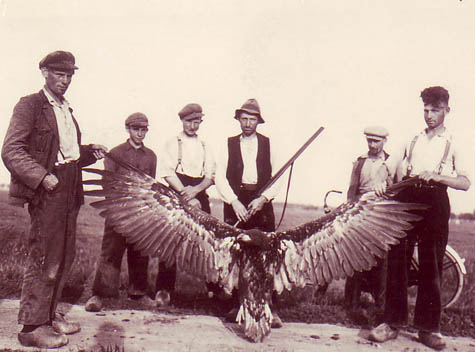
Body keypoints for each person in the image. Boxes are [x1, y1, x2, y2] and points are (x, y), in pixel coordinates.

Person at [1, 50, 107, 349]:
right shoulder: (30, 105)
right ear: (44, 72)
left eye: (70, 74)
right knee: (45, 258)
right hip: (48, 190)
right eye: (59, 73)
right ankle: (31, 328)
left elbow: (66, 152)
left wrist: (88, 152)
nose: (65, 79)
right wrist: (41, 177)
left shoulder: (65, 109)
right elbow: (11, 150)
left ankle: (49, 317)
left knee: (64, 257)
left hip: (71, 188)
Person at [368, 86, 471, 350]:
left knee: (431, 265)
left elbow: (465, 182)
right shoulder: (412, 138)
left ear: (447, 110)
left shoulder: (453, 142)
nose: (429, 115)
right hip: (407, 199)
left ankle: (428, 329)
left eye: (435, 110)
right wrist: (382, 181)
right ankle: (392, 323)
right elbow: (388, 168)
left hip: (436, 202)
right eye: (425, 110)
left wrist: (438, 177)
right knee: (397, 260)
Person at [214, 98, 282, 327]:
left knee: (268, 254)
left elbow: (279, 176)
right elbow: (219, 176)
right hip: (236, 201)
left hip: (261, 202)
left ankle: (271, 307)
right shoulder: (228, 144)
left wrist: (263, 199)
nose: (247, 123)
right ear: (238, 120)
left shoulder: (269, 144)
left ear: (258, 122)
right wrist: (234, 202)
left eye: (252, 119)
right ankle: (237, 305)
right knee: (236, 254)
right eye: (244, 119)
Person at [85, 113, 158, 312]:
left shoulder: (151, 156)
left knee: (140, 253)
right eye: (136, 129)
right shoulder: (116, 153)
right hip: (118, 212)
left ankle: (138, 294)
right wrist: (118, 209)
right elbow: (107, 183)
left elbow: (150, 185)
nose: (140, 133)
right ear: (127, 129)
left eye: (143, 129)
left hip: (141, 214)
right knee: (111, 252)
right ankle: (99, 295)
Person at [157, 103, 216, 305]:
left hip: (199, 191)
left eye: (197, 122)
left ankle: (213, 288)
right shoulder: (173, 143)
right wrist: (185, 194)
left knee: (208, 240)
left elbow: (210, 176)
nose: (193, 126)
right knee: (170, 240)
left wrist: (197, 192)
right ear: (182, 121)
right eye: (189, 121)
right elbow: (167, 172)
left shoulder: (205, 145)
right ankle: (164, 289)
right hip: (178, 191)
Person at [344, 126, 394, 324]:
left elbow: (395, 186)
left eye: (376, 141)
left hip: (382, 216)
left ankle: (381, 306)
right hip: (361, 214)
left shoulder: (392, 162)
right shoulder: (360, 162)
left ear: (384, 141)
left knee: (382, 260)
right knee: (356, 259)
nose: (372, 145)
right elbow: (352, 190)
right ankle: (351, 304)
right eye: (369, 141)